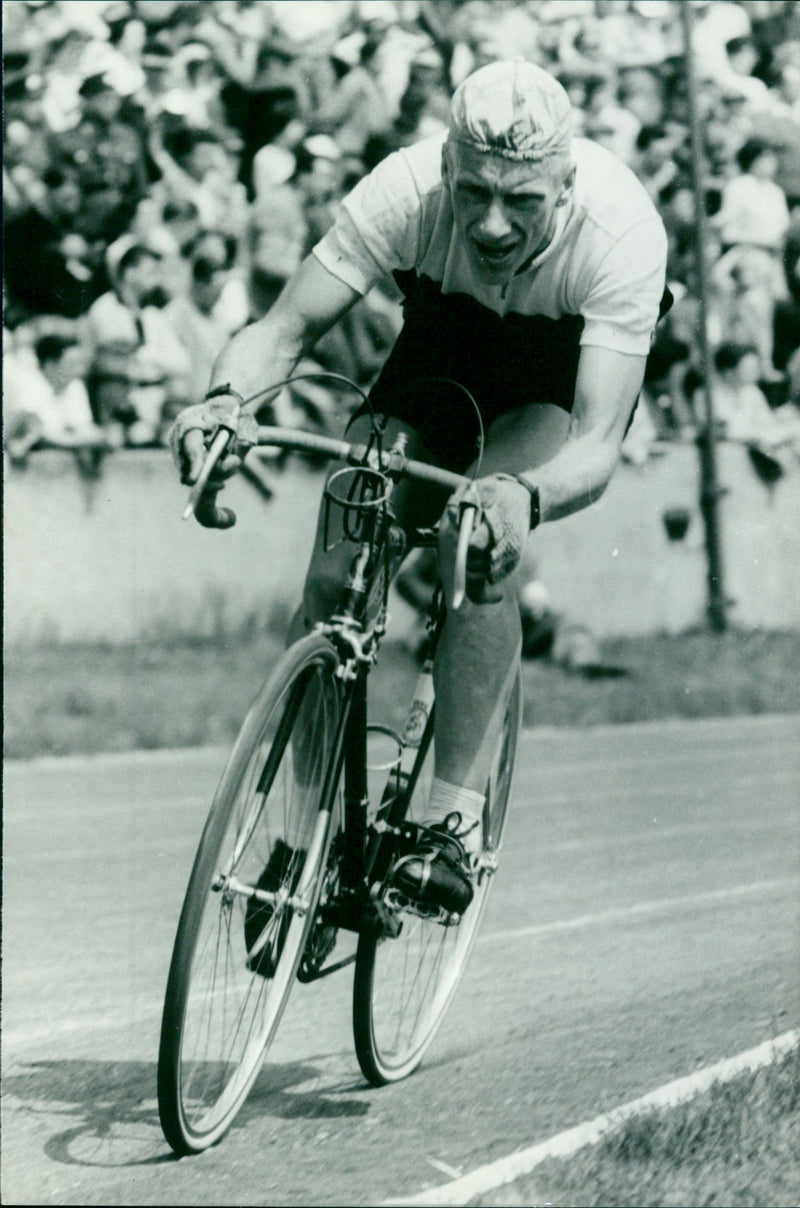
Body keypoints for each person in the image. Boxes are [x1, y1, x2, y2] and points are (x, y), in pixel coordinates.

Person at [169, 61, 669, 921]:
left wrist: (525, 497)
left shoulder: (622, 233)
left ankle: (449, 823)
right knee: (337, 557)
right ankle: (302, 834)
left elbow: (595, 442)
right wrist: (221, 404)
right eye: (473, 191)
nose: (492, 222)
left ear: (567, 181)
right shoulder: (400, 190)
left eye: (523, 200)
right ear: (444, 167)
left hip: (550, 374)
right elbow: (284, 330)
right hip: (439, 348)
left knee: (472, 537)